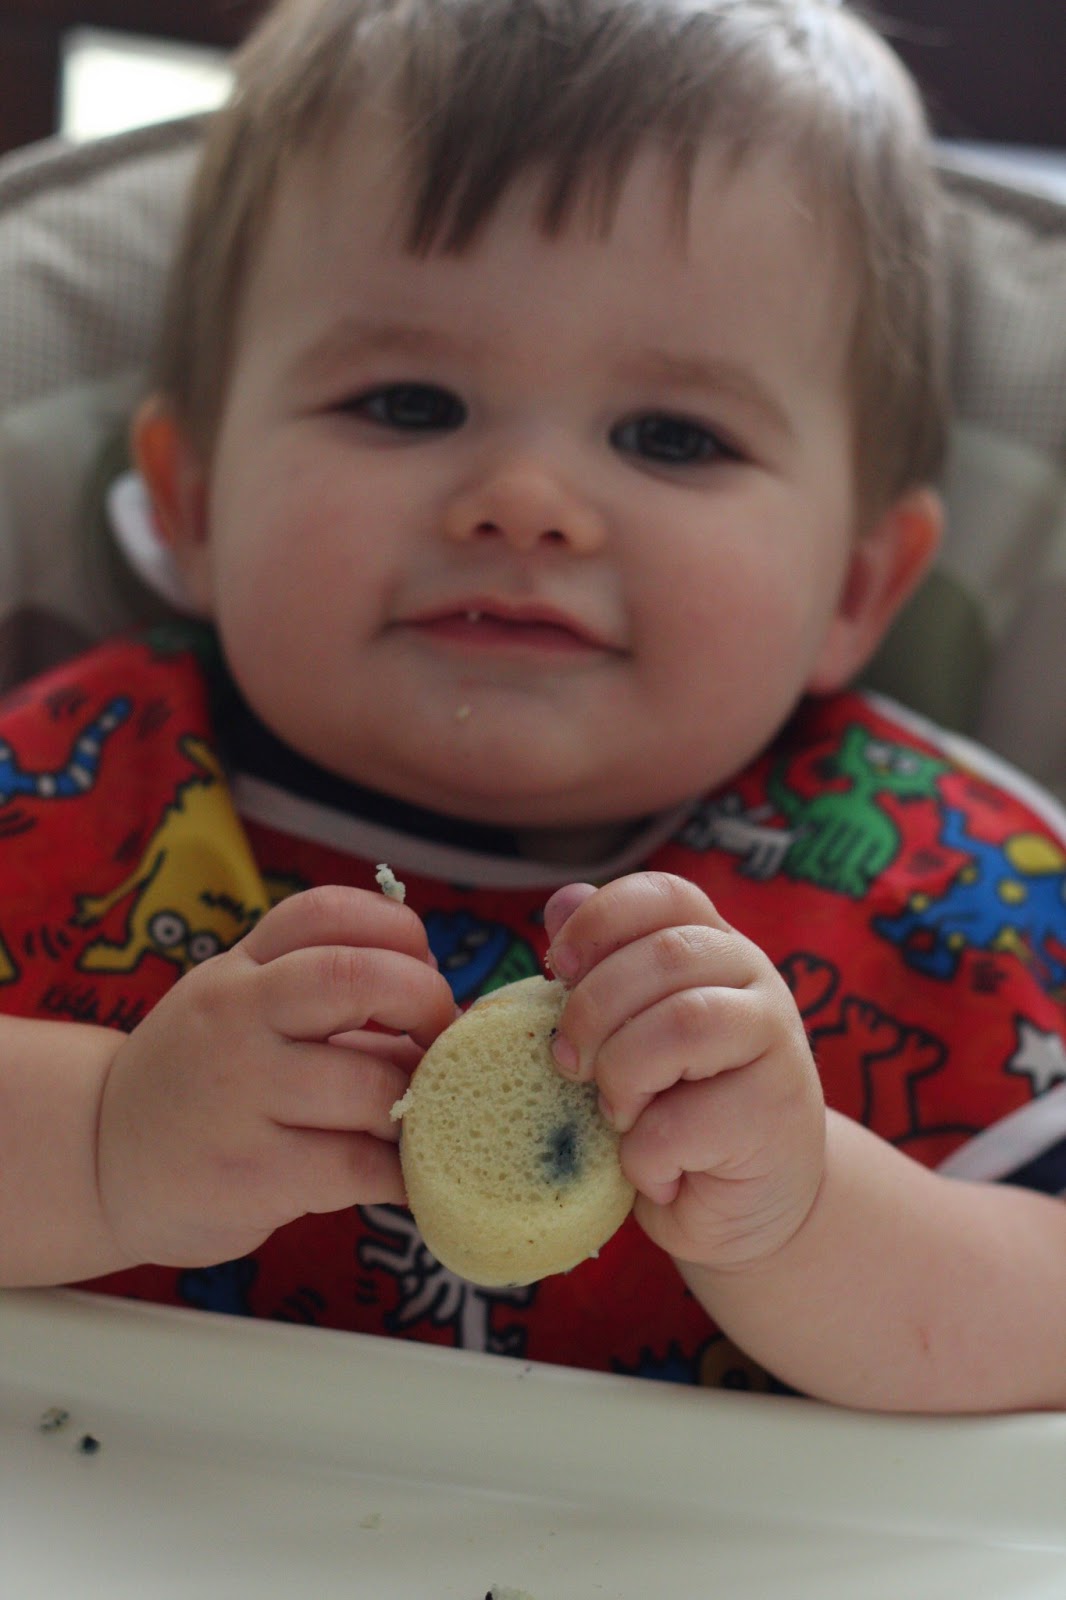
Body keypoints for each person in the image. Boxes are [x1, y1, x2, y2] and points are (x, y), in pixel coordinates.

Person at [1, 0, 1064, 1413]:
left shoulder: (946, 887)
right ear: (189, 501)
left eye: (669, 437)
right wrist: (102, 1150)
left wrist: (808, 1223)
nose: (524, 505)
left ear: (859, 587)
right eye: (407, 402)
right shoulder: (57, 781)